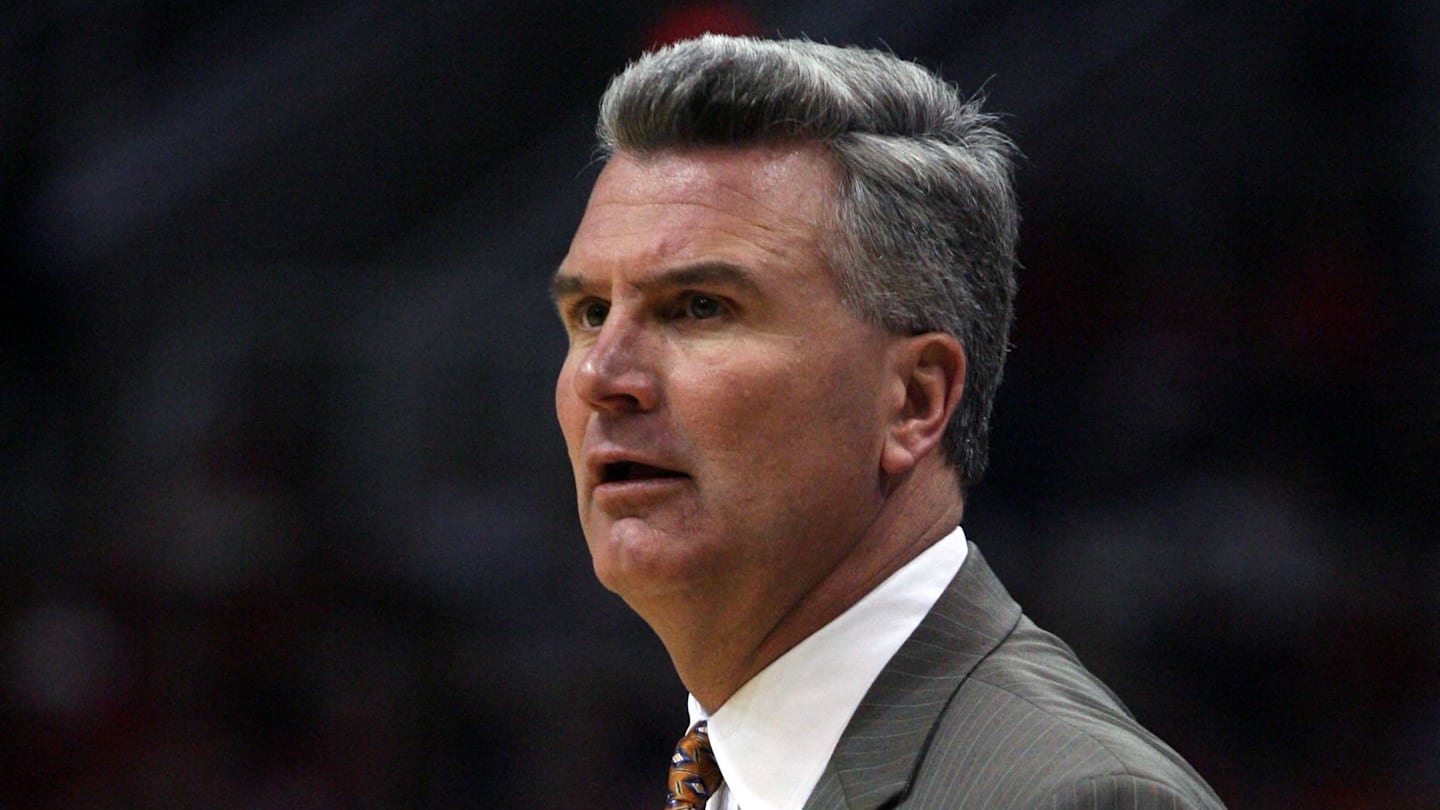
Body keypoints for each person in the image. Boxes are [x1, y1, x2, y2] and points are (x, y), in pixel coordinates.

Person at [551, 34, 1224, 810]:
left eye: (700, 307)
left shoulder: (1072, 797)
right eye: (591, 312)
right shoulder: (724, 774)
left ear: (912, 401)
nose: (604, 374)